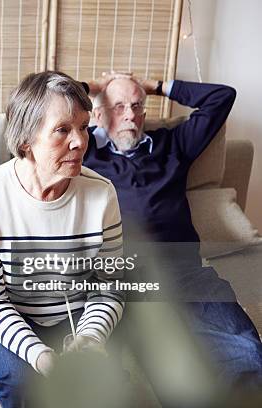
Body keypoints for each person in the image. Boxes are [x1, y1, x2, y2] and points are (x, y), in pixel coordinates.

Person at [81, 72, 262, 388]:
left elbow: (222, 97)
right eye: (119, 106)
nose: (130, 115)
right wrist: (92, 89)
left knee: (247, 352)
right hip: (123, 277)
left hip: (185, 272)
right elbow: (42, 106)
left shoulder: (172, 143)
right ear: (98, 115)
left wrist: (157, 86)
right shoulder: (83, 154)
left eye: (137, 106)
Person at [0, 71, 124, 408]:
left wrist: (90, 337)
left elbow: (109, 285)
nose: (80, 141)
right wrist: (40, 355)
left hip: (73, 312)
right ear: (25, 140)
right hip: (3, 307)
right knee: (19, 381)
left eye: (83, 126)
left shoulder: (102, 194)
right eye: (63, 130)